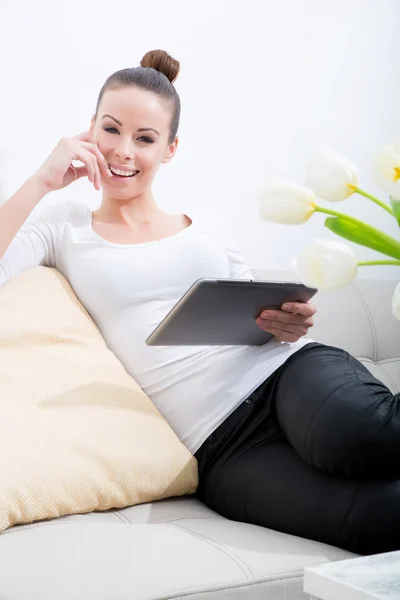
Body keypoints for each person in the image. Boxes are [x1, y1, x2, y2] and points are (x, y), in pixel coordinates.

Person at [0, 49, 399, 556]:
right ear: (88, 132)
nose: (124, 150)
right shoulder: (63, 229)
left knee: (357, 437)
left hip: (285, 377)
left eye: (145, 138)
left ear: (169, 149)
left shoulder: (206, 229)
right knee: (378, 520)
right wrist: (40, 181)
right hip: (222, 447)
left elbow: (263, 314)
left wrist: (288, 322)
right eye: (111, 129)